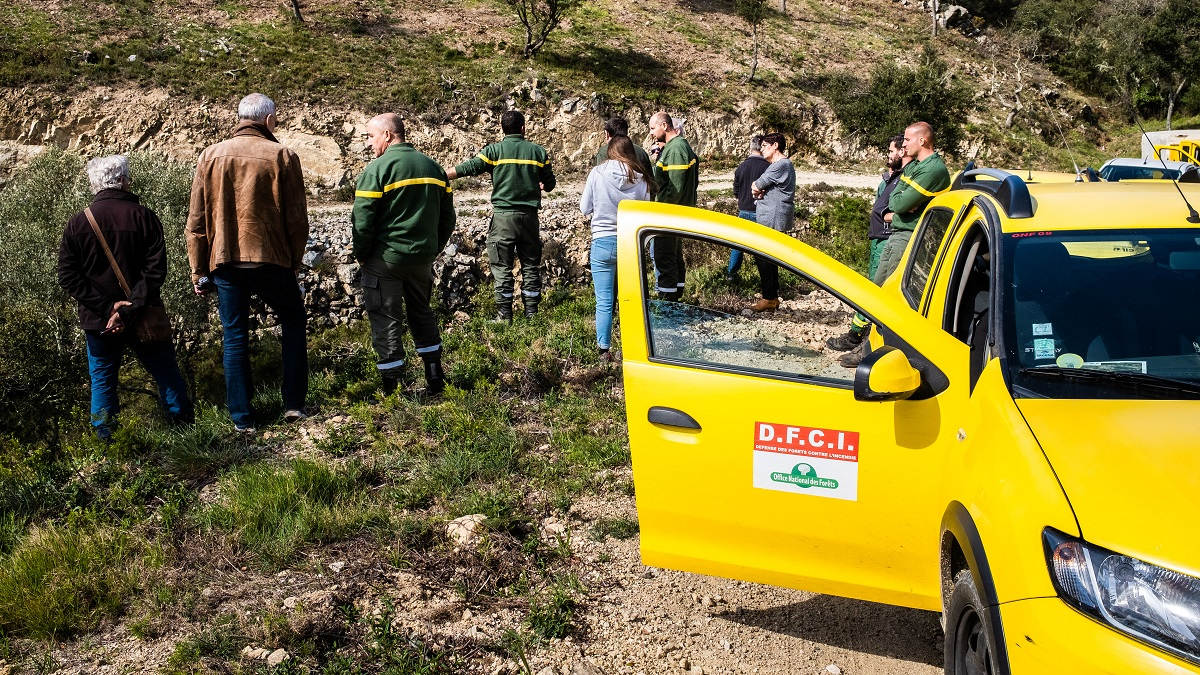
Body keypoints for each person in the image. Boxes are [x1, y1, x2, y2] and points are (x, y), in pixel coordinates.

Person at [186, 93, 309, 433]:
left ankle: (242, 419)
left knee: (235, 336)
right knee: (293, 323)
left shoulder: (209, 156)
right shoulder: (283, 155)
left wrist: (199, 270)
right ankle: (294, 405)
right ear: (268, 120)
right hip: (272, 259)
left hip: (225, 260)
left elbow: (196, 221)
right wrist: (294, 260)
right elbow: (297, 220)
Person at [58, 155, 193, 440]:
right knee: (166, 374)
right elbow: (156, 271)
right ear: (122, 181)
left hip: (100, 322)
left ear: (95, 184)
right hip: (144, 317)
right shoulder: (144, 216)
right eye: (128, 177)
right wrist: (130, 308)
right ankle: (187, 438)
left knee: (103, 384)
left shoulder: (77, 223)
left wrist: (109, 308)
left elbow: (68, 278)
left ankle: (108, 449)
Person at [351, 113, 455, 395]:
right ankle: (435, 376)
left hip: (385, 261)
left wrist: (363, 256)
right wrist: (431, 249)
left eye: (371, 137)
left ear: (387, 135)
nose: (369, 144)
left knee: (386, 318)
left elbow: (362, 221)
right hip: (421, 260)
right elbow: (448, 218)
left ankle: (393, 389)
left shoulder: (377, 170)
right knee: (422, 312)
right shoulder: (434, 168)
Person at [446, 110, 556, 321]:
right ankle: (532, 314)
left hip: (504, 219)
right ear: (523, 128)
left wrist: (442, 174)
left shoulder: (494, 151)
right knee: (530, 265)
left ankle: (504, 316)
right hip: (529, 219)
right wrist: (541, 183)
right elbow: (550, 184)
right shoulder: (538, 153)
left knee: (502, 267)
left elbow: (470, 167)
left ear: (502, 129)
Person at [827, 134, 908, 359]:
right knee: (873, 284)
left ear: (902, 151)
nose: (888, 155)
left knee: (876, 289)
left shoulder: (904, 179)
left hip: (887, 239)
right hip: (879, 238)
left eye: (892, 151)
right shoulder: (890, 178)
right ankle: (860, 334)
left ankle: (859, 337)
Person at [580, 136, 652, 361]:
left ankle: (604, 349)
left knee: (604, 300)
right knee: (629, 299)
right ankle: (630, 347)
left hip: (602, 240)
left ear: (610, 152)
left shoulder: (597, 173)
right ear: (631, 153)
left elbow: (585, 208)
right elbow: (646, 215)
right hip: (629, 242)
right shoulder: (642, 179)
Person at [649, 111, 700, 301]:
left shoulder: (676, 149)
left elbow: (675, 187)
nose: (652, 134)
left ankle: (667, 304)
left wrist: (662, 211)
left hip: (669, 214)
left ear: (664, 125)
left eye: (653, 128)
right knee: (673, 256)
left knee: (664, 257)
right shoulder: (676, 147)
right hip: (676, 214)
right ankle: (675, 297)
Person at [748, 133, 796, 312]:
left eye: (765, 145)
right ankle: (772, 296)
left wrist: (759, 190)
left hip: (772, 217)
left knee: (763, 257)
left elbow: (756, 185)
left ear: (775, 145)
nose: (761, 149)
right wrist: (760, 190)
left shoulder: (780, 165)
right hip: (773, 216)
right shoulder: (781, 165)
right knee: (768, 258)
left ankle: (769, 297)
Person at [727, 135, 769, 282]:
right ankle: (765, 278)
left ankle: (732, 274)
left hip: (744, 210)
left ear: (750, 147)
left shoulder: (741, 167)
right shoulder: (767, 167)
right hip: (761, 212)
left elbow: (736, 191)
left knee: (737, 246)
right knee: (762, 248)